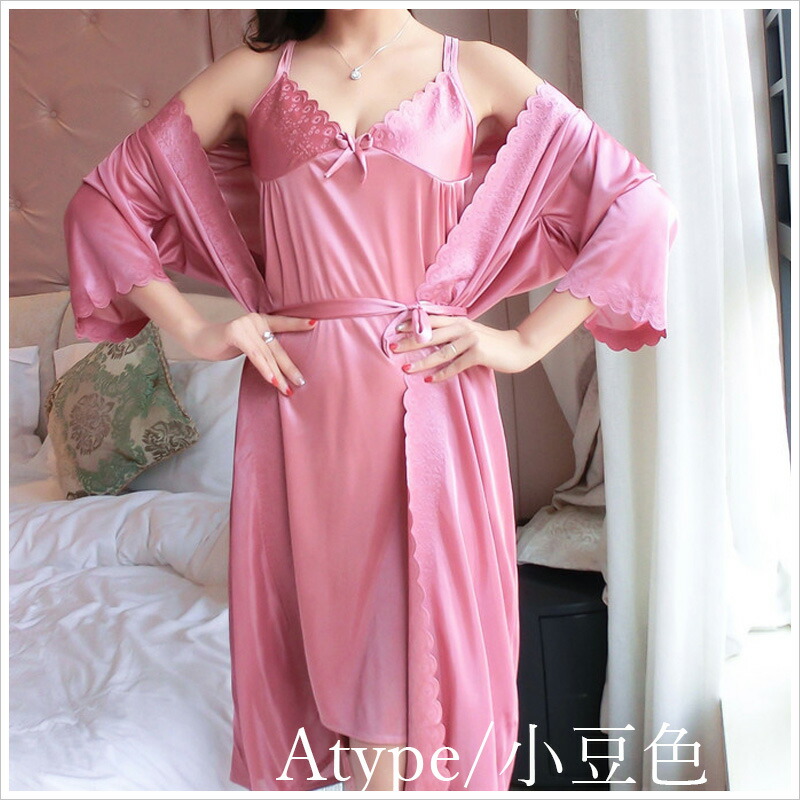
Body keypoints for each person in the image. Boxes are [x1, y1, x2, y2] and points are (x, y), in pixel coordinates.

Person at [65, 8, 676, 792]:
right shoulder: (258, 75)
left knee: (412, 655)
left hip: (431, 395)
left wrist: (525, 343)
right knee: (340, 650)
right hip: (300, 406)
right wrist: (195, 330)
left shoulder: (474, 70)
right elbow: (104, 204)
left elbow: (638, 207)